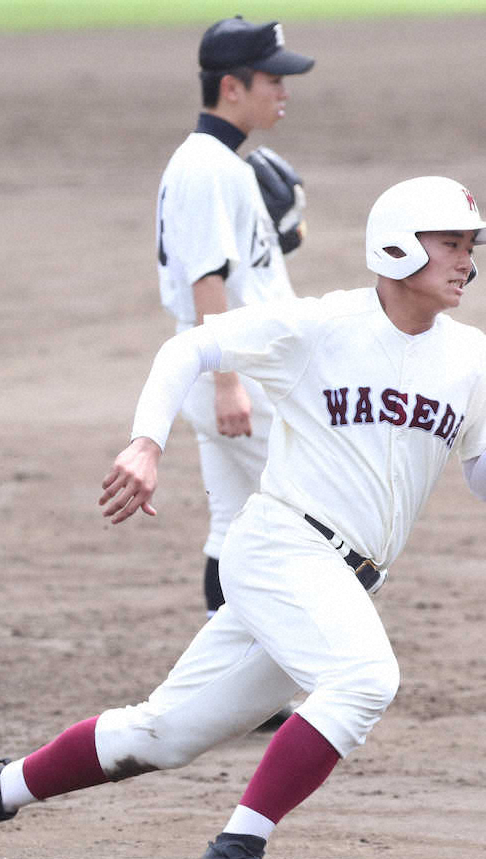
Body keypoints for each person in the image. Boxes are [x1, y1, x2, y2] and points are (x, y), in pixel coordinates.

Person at [0, 176, 486, 859]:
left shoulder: (469, 355)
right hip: (282, 548)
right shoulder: (320, 327)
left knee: (164, 733)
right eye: (451, 243)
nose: (467, 260)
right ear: (398, 247)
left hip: (335, 579)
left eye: (470, 247)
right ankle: (237, 850)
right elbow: (189, 348)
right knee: (364, 679)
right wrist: (146, 442)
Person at [156, 16, 314, 619]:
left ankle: (226, 666)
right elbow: (206, 280)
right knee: (313, 513)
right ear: (232, 87)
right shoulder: (207, 167)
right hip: (237, 367)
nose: (283, 91)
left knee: (233, 526)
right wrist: (228, 384)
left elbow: (233, 268)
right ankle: (287, 656)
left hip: (230, 363)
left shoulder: (219, 162)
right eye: (272, 80)